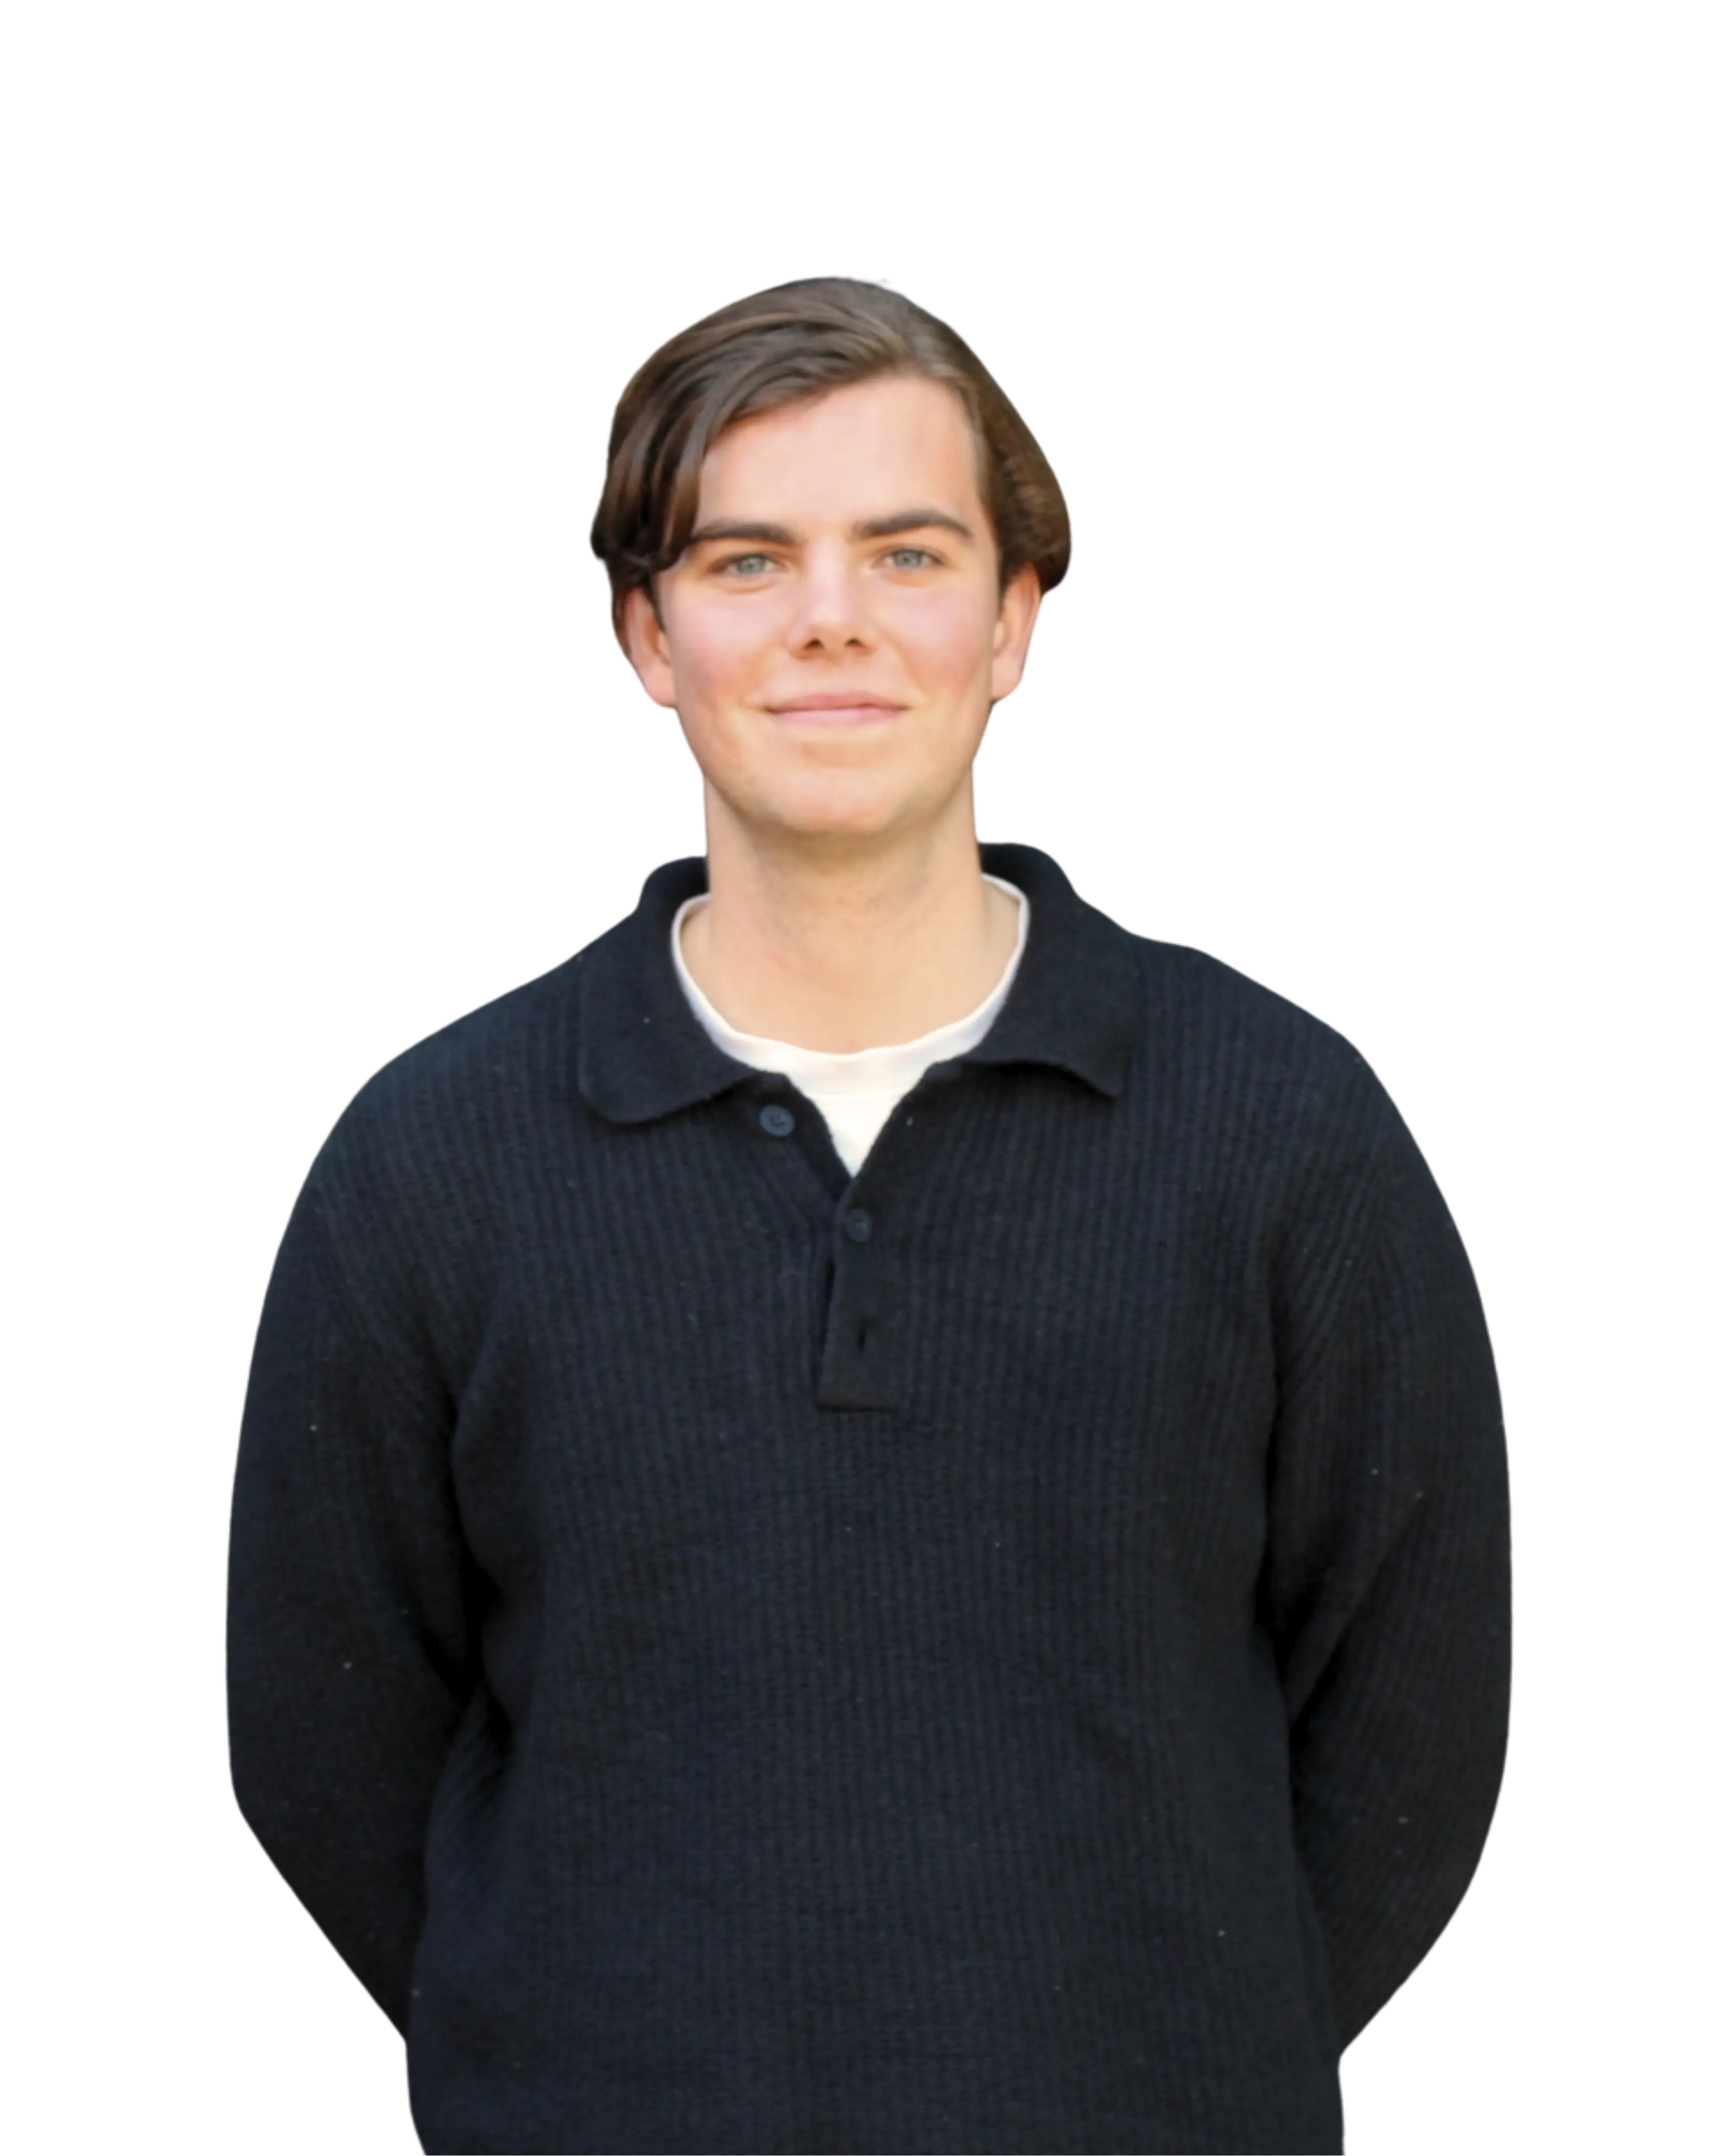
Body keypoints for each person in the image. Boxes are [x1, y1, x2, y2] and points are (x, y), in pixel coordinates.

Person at [226, 273, 1512, 2154]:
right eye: (746, 560)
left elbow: (1420, 1723)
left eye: (905, 554)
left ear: (1011, 622)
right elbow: (321, 1739)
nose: (829, 616)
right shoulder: (427, 1160)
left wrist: (1174, 2061)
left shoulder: (1285, 1131)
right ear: (645, 634)